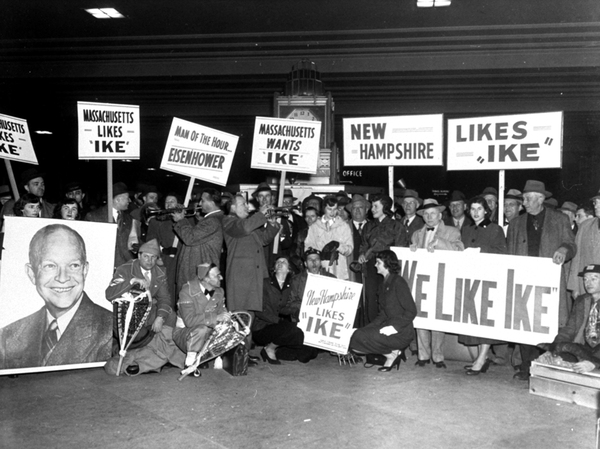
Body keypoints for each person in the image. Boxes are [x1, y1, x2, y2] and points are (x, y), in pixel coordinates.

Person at [0, 224, 112, 369]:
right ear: (32, 273)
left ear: (85, 271)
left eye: (73, 265)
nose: (63, 277)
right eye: (50, 266)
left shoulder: (110, 332)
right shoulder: (9, 336)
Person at [507, 180, 576, 381]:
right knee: (524, 322)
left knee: (548, 323)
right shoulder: (516, 223)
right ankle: (525, 366)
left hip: (549, 283)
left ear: (540, 199)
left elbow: (571, 244)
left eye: (528, 199)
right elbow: (510, 253)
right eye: (524, 199)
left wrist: (564, 250)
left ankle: (546, 364)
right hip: (523, 280)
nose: (525, 203)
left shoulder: (559, 219)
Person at [104, 239, 183, 375]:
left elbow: (165, 298)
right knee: (139, 339)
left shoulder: (159, 273)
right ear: (139, 256)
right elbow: (109, 294)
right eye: (146, 256)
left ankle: (154, 355)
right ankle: (153, 357)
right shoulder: (125, 269)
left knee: (170, 315)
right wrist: (131, 282)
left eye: (153, 257)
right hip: (128, 317)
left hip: (148, 313)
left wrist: (160, 317)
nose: (149, 261)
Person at [410, 198, 464, 368]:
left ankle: (438, 356)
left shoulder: (452, 232)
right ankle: (423, 355)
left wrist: (441, 243)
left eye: (433, 213)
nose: (429, 217)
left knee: (437, 318)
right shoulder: (417, 234)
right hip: (422, 280)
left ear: (440, 215)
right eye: (425, 214)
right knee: (421, 317)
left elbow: (459, 250)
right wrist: (411, 249)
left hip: (442, 280)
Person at [458, 196, 508, 375]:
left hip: (488, 278)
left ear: (486, 210)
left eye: (479, 209)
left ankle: (481, 358)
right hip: (470, 279)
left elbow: (502, 251)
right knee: (474, 319)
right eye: (472, 209)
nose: (475, 212)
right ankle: (481, 358)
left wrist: (480, 252)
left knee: (485, 319)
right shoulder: (466, 229)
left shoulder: (495, 229)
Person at [350, 250, 417, 372]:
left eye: (378, 262)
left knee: (359, 338)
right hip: (387, 328)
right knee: (356, 338)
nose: (375, 265)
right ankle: (391, 355)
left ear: (387, 264)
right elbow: (383, 314)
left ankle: (393, 353)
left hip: (401, 332)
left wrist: (394, 327)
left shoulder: (398, 282)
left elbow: (411, 311)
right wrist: (367, 328)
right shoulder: (382, 284)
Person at [223, 194, 280, 335]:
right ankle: (235, 355)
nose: (247, 207)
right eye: (243, 204)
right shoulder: (229, 222)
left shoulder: (246, 223)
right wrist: (261, 213)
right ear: (232, 207)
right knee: (240, 318)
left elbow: (263, 239)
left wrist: (272, 224)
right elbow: (245, 229)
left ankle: (243, 354)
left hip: (251, 277)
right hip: (240, 279)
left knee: (249, 318)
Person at [253, 257, 317, 364]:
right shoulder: (265, 283)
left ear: (289, 270)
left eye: (284, 262)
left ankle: (281, 352)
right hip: (261, 327)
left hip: (276, 326)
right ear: (274, 268)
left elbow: (281, 308)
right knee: (293, 330)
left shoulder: (288, 287)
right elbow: (258, 310)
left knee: (309, 353)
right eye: (278, 262)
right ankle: (269, 348)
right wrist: (278, 320)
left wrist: (295, 311)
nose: (280, 263)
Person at [275, 248, 333, 362]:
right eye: (310, 260)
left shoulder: (331, 278)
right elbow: (290, 302)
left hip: (325, 321)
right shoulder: (296, 280)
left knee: (307, 353)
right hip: (304, 319)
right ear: (305, 264)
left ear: (320, 262)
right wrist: (308, 306)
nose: (314, 262)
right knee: (305, 356)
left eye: (316, 259)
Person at [541, 264, 600, 374]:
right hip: (585, 348)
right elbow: (569, 329)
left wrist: (593, 362)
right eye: (585, 279)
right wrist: (553, 350)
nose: (588, 283)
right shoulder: (582, 301)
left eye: (594, 278)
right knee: (552, 356)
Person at [359, 194, 408, 324]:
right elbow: (363, 245)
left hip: (389, 268)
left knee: (388, 299)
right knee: (371, 299)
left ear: (385, 208)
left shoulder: (396, 226)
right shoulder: (368, 226)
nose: (372, 209)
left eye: (376, 206)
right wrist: (362, 254)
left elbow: (401, 250)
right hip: (371, 268)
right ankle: (372, 328)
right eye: (372, 206)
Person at [173, 263, 230, 369]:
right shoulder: (187, 292)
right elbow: (189, 321)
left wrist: (227, 318)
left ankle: (215, 356)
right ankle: (190, 363)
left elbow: (222, 310)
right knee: (201, 329)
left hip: (208, 334)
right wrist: (216, 318)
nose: (221, 277)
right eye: (217, 275)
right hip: (185, 334)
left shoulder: (219, 291)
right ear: (206, 279)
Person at [172, 188, 224, 295]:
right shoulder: (209, 220)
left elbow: (190, 238)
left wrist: (181, 220)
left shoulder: (212, 221)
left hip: (201, 277)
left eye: (203, 200)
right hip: (198, 275)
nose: (200, 203)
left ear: (212, 203)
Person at [85, 182, 139, 269]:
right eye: (127, 198)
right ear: (118, 200)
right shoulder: (94, 217)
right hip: (103, 267)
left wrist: (135, 248)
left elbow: (133, 241)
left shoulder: (129, 219)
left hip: (125, 268)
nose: (129, 201)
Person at [305, 195, 353, 280]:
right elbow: (308, 246)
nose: (332, 212)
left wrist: (338, 246)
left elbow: (349, 249)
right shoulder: (314, 227)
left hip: (339, 270)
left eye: (335, 209)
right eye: (329, 209)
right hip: (320, 269)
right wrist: (319, 254)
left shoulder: (343, 226)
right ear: (323, 209)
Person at [146, 193, 182, 301]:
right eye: (167, 202)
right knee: (167, 288)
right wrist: (157, 257)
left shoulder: (186, 220)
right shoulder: (156, 221)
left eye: (172, 201)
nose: (169, 204)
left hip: (181, 259)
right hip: (165, 259)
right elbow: (151, 241)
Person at [568, 189, 600, 300]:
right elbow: (576, 259)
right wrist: (574, 286)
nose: (596, 206)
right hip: (585, 287)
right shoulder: (585, 226)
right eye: (595, 202)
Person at [347, 194, 370, 284]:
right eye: (354, 208)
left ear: (366, 209)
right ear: (350, 211)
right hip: (351, 271)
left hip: (371, 273)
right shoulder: (344, 228)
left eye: (360, 207)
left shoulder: (374, 227)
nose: (357, 210)